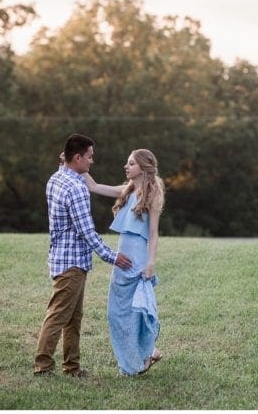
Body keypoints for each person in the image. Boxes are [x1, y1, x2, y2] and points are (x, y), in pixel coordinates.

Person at [34, 133, 133, 378]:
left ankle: (72, 367)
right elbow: (87, 232)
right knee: (58, 316)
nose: (91, 162)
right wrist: (112, 257)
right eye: (89, 157)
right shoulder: (76, 188)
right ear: (77, 157)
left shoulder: (56, 179)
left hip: (61, 258)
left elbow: (67, 165)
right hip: (72, 264)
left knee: (73, 318)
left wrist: (63, 160)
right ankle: (43, 366)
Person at [84, 149, 165, 376]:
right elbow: (94, 186)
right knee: (116, 312)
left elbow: (153, 232)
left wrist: (151, 263)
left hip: (138, 260)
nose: (126, 167)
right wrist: (69, 162)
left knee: (137, 310)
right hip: (121, 260)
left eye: (130, 163)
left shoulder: (153, 194)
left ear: (142, 167)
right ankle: (150, 352)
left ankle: (147, 355)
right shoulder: (127, 190)